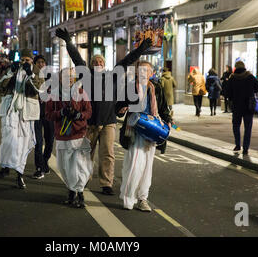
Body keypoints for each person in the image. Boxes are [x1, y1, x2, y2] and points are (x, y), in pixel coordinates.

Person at [56, 27, 153, 196]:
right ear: (91, 66)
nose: (98, 64)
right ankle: (83, 179)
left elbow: (127, 60)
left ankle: (106, 183)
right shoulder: (85, 76)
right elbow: (77, 58)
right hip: (89, 123)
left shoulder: (112, 76)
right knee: (86, 154)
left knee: (108, 155)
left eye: (101, 62)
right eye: (95, 62)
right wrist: (68, 42)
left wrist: (141, 49)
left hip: (108, 122)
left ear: (105, 65)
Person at [116, 60, 173, 211]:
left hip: (152, 130)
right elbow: (118, 107)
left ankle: (142, 198)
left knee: (147, 167)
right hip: (135, 130)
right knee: (135, 165)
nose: (143, 73)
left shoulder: (157, 88)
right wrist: (122, 109)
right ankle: (129, 198)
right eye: (140, 70)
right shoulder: (130, 88)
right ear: (136, 72)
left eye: (146, 71)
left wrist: (168, 122)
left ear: (151, 73)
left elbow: (163, 109)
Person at [46, 67, 92, 208]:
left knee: (78, 166)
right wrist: (61, 112)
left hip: (78, 134)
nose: (69, 79)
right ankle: (71, 189)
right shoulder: (53, 95)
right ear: (60, 78)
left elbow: (88, 111)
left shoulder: (81, 92)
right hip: (62, 136)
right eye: (66, 76)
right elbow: (48, 115)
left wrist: (79, 115)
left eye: (71, 77)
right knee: (63, 167)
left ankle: (79, 193)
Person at [0, 48, 42, 189]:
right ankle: (6, 165)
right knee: (9, 139)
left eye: (27, 60)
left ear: (31, 61)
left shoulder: (37, 72)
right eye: (22, 60)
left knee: (23, 142)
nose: (24, 62)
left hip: (27, 112)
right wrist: (11, 72)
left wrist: (31, 74)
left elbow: (39, 89)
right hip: (11, 109)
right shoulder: (12, 69)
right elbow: (0, 83)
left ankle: (19, 174)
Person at [227, 61, 258, 155]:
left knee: (236, 126)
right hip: (248, 106)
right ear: (244, 67)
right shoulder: (250, 77)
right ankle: (245, 148)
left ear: (235, 67)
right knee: (248, 127)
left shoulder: (232, 78)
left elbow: (228, 92)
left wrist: (233, 97)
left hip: (236, 106)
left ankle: (237, 144)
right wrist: (251, 91)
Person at [32, 55, 55, 179]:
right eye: (38, 62)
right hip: (35, 113)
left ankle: (45, 160)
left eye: (43, 62)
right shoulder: (32, 77)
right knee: (38, 141)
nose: (41, 64)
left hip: (50, 114)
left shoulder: (53, 78)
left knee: (50, 140)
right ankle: (39, 167)